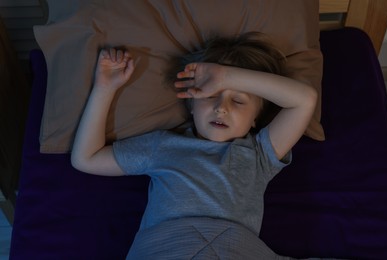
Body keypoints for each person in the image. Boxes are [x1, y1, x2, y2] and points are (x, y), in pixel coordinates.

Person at [71, 32, 317, 259]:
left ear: (256, 118)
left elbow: (304, 100)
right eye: (211, 95)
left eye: (239, 101)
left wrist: (223, 76)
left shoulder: (260, 153)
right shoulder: (162, 145)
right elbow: (86, 158)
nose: (222, 107)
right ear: (190, 103)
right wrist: (104, 88)